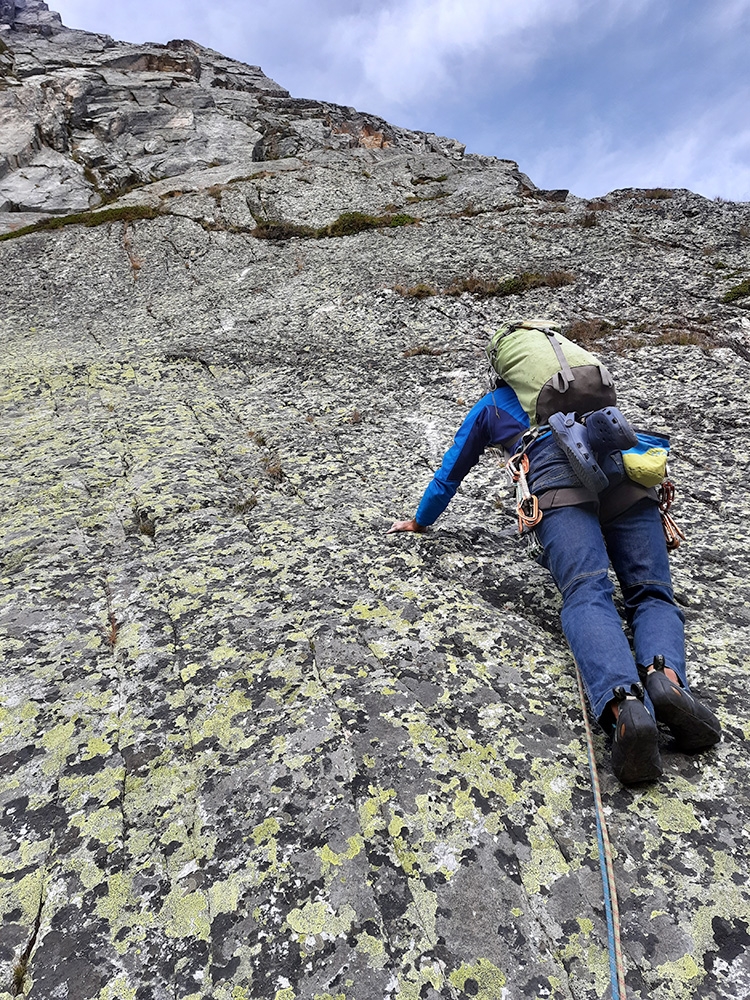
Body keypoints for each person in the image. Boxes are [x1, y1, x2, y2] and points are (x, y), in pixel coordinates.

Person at [388, 361, 721, 785]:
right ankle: (664, 678)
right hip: (622, 465)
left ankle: (627, 708)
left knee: (587, 590)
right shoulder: (583, 391)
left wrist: (420, 520)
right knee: (651, 594)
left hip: (555, 472)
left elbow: (451, 470)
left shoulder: (491, 405)